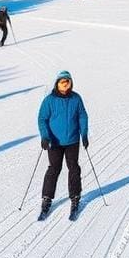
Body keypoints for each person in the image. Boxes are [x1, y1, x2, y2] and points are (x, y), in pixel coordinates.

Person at [37, 70, 89, 220]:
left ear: (71, 83)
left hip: (72, 140)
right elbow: (42, 119)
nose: (65, 85)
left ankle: (75, 197)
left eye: (68, 82)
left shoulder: (76, 98)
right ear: (57, 83)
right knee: (54, 168)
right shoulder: (49, 100)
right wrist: (45, 136)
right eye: (62, 82)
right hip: (54, 142)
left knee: (73, 168)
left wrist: (84, 134)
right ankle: (47, 198)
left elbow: (82, 116)